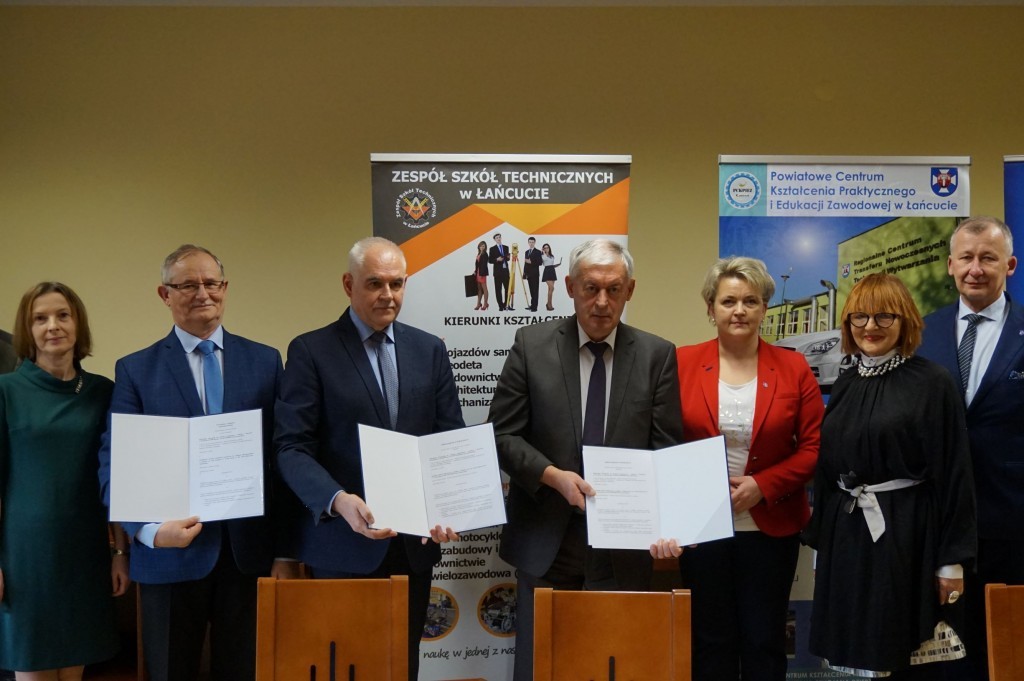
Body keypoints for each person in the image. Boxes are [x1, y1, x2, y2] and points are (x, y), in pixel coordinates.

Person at [488, 238, 685, 681]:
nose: (601, 302)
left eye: (613, 290)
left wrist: (671, 522)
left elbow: (666, 451)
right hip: (546, 538)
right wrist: (551, 475)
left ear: (629, 290)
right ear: (570, 287)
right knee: (541, 665)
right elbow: (500, 434)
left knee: (614, 663)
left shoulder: (656, 355)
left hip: (624, 544)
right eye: (591, 288)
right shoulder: (532, 345)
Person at [97, 245, 295, 681]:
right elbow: (116, 464)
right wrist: (148, 531)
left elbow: (284, 459)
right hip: (169, 555)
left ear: (225, 288)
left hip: (248, 556)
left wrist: (286, 552)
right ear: (164, 294)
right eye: (188, 285)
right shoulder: (135, 370)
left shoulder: (265, 361)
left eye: (211, 283)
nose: (203, 293)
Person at [274, 236, 464, 681]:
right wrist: (338, 500)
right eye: (375, 283)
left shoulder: (429, 350)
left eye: (397, 284)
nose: (388, 295)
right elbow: (291, 447)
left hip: (413, 547)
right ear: (349, 284)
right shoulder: (311, 351)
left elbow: (449, 440)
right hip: (343, 546)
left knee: (403, 666)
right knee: (347, 666)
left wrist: (447, 505)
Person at [651, 257, 822, 681]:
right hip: (701, 528)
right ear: (710, 308)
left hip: (771, 526)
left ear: (764, 307)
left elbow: (815, 448)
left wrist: (763, 486)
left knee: (764, 640)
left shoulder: (794, 367)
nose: (739, 310)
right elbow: (661, 441)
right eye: (728, 301)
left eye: (750, 301)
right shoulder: (681, 362)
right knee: (711, 641)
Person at [804, 272, 976, 680]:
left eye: (884, 316)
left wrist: (951, 561)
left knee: (900, 650)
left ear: (905, 320)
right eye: (859, 316)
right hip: (848, 536)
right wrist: (822, 541)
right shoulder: (846, 382)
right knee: (857, 652)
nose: (870, 326)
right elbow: (829, 467)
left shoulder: (932, 382)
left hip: (906, 533)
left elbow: (954, 472)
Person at [0, 282, 130, 680]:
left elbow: (117, 478)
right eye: (40, 318)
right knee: (32, 669)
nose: (52, 326)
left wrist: (120, 552)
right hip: (25, 557)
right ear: (27, 329)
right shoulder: (6, 390)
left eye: (62, 315)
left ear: (78, 324)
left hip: (85, 552)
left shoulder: (103, 391)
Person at [917, 216, 1024, 681]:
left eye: (988, 258)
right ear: (950, 265)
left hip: (1011, 520)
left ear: (1010, 266)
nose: (975, 269)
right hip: (937, 523)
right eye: (966, 258)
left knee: (1009, 647)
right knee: (945, 654)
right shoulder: (921, 332)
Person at [489, 232, 512, 311]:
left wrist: (508, 257)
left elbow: (507, 259)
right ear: (495, 240)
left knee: (507, 289)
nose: (498, 239)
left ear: (501, 238)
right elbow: (490, 260)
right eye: (497, 238)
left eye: (499, 237)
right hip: (497, 272)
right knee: (498, 290)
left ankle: (506, 304)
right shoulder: (492, 249)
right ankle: (500, 306)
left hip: (505, 271)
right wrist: (496, 259)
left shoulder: (506, 247)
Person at [522, 236, 543, 312]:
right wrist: (524, 273)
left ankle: (535, 307)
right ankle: (532, 305)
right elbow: (525, 263)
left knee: (535, 291)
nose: (531, 244)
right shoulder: (526, 252)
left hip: (535, 274)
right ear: (528, 243)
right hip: (528, 274)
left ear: (535, 243)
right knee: (531, 291)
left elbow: (540, 262)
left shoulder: (538, 252)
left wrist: (531, 262)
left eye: (532, 242)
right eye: (530, 242)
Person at [540, 243, 561, 311]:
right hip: (547, 271)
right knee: (552, 288)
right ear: (543, 249)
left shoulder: (552, 256)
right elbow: (545, 261)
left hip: (552, 271)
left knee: (550, 289)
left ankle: (548, 303)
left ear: (549, 248)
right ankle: (549, 305)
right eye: (545, 248)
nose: (546, 249)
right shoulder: (543, 255)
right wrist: (543, 252)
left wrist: (557, 265)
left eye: (547, 247)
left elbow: (551, 264)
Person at [473, 240, 490, 311]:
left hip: (482, 273)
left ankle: (485, 304)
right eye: (481, 246)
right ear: (479, 247)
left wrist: (482, 274)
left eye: (483, 246)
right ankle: (478, 304)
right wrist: (475, 271)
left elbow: (484, 265)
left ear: (485, 247)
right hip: (478, 273)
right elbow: (477, 264)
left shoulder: (485, 254)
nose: (482, 247)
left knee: (484, 289)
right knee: (479, 289)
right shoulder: (479, 253)